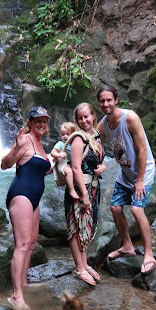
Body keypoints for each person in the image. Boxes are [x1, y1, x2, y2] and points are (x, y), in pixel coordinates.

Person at [96, 85, 156, 275]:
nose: (106, 104)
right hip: (125, 172)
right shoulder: (103, 125)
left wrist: (140, 180)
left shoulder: (129, 118)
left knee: (137, 210)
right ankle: (128, 246)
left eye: (109, 100)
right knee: (115, 208)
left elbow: (143, 150)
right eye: (102, 101)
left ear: (116, 100)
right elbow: (95, 147)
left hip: (143, 171)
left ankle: (149, 255)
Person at [1, 106, 53, 310]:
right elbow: (5, 164)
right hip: (21, 195)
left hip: (34, 198)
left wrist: (56, 164)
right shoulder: (24, 140)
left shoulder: (40, 143)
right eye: (37, 120)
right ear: (29, 122)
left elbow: (39, 170)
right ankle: (16, 296)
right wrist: (16, 148)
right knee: (22, 245)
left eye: (44, 121)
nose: (42, 124)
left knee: (31, 244)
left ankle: (23, 284)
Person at [65, 102, 106, 286]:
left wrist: (103, 167)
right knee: (76, 227)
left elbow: (99, 160)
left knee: (87, 227)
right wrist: (84, 195)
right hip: (81, 190)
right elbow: (75, 168)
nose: (84, 120)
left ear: (93, 116)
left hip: (94, 187)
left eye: (86, 116)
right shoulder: (78, 139)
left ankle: (84, 264)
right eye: (80, 118)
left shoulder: (95, 135)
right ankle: (79, 268)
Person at [50, 122, 79, 199]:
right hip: (64, 163)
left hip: (72, 163)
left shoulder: (75, 143)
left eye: (68, 134)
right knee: (69, 172)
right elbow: (53, 152)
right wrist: (59, 155)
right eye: (63, 134)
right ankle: (71, 190)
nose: (65, 136)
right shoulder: (61, 143)